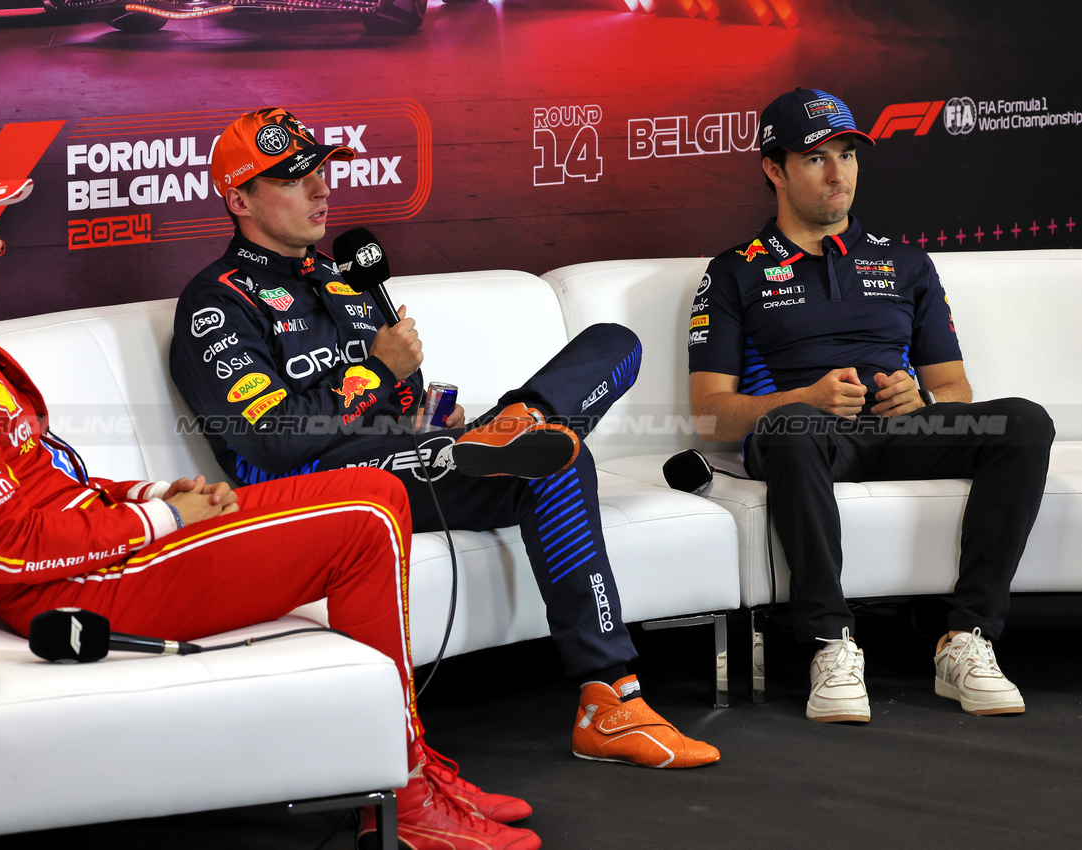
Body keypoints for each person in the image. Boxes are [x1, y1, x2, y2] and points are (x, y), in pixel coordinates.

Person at [0, 136, 542, 850]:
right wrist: (162, 515)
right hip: (76, 588)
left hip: (99, 554)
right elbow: (10, 549)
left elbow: (43, 483)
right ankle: (402, 789)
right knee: (366, 507)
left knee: (375, 495)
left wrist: (146, 491)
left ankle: (409, 761)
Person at [169, 108, 720, 771]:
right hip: (323, 489)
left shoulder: (346, 281)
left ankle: (523, 421)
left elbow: (407, 399)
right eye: (293, 179)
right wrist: (376, 369)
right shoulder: (215, 305)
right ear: (239, 199)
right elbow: (272, 442)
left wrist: (440, 419)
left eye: (321, 172)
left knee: (613, 344)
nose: (319, 190)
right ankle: (612, 699)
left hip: (410, 459)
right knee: (559, 464)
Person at [689, 88, 1054, 723]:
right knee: (795, 428)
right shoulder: (732, 272)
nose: (838, 174)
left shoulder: (904, 260)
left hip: (897, 431)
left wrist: (921, 398)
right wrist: (804, 397)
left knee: (1022, 420)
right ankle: (830, 643)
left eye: (848, 155)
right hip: (804, 437)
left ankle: (967, 639)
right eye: (815, 159)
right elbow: (710, 413)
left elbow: (956, 390)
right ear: (774, 169)